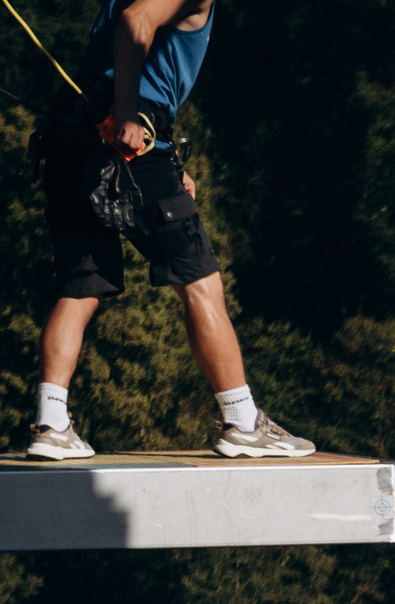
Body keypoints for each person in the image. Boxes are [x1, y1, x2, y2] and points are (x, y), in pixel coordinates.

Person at [26, 0, 313, 461]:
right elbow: (135, 22)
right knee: (199, 280)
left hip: (74, 139)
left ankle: (51, 422)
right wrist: (125, 114)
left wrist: (161, 154)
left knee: (81, 286)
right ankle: (242, 422)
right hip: (125, 141)